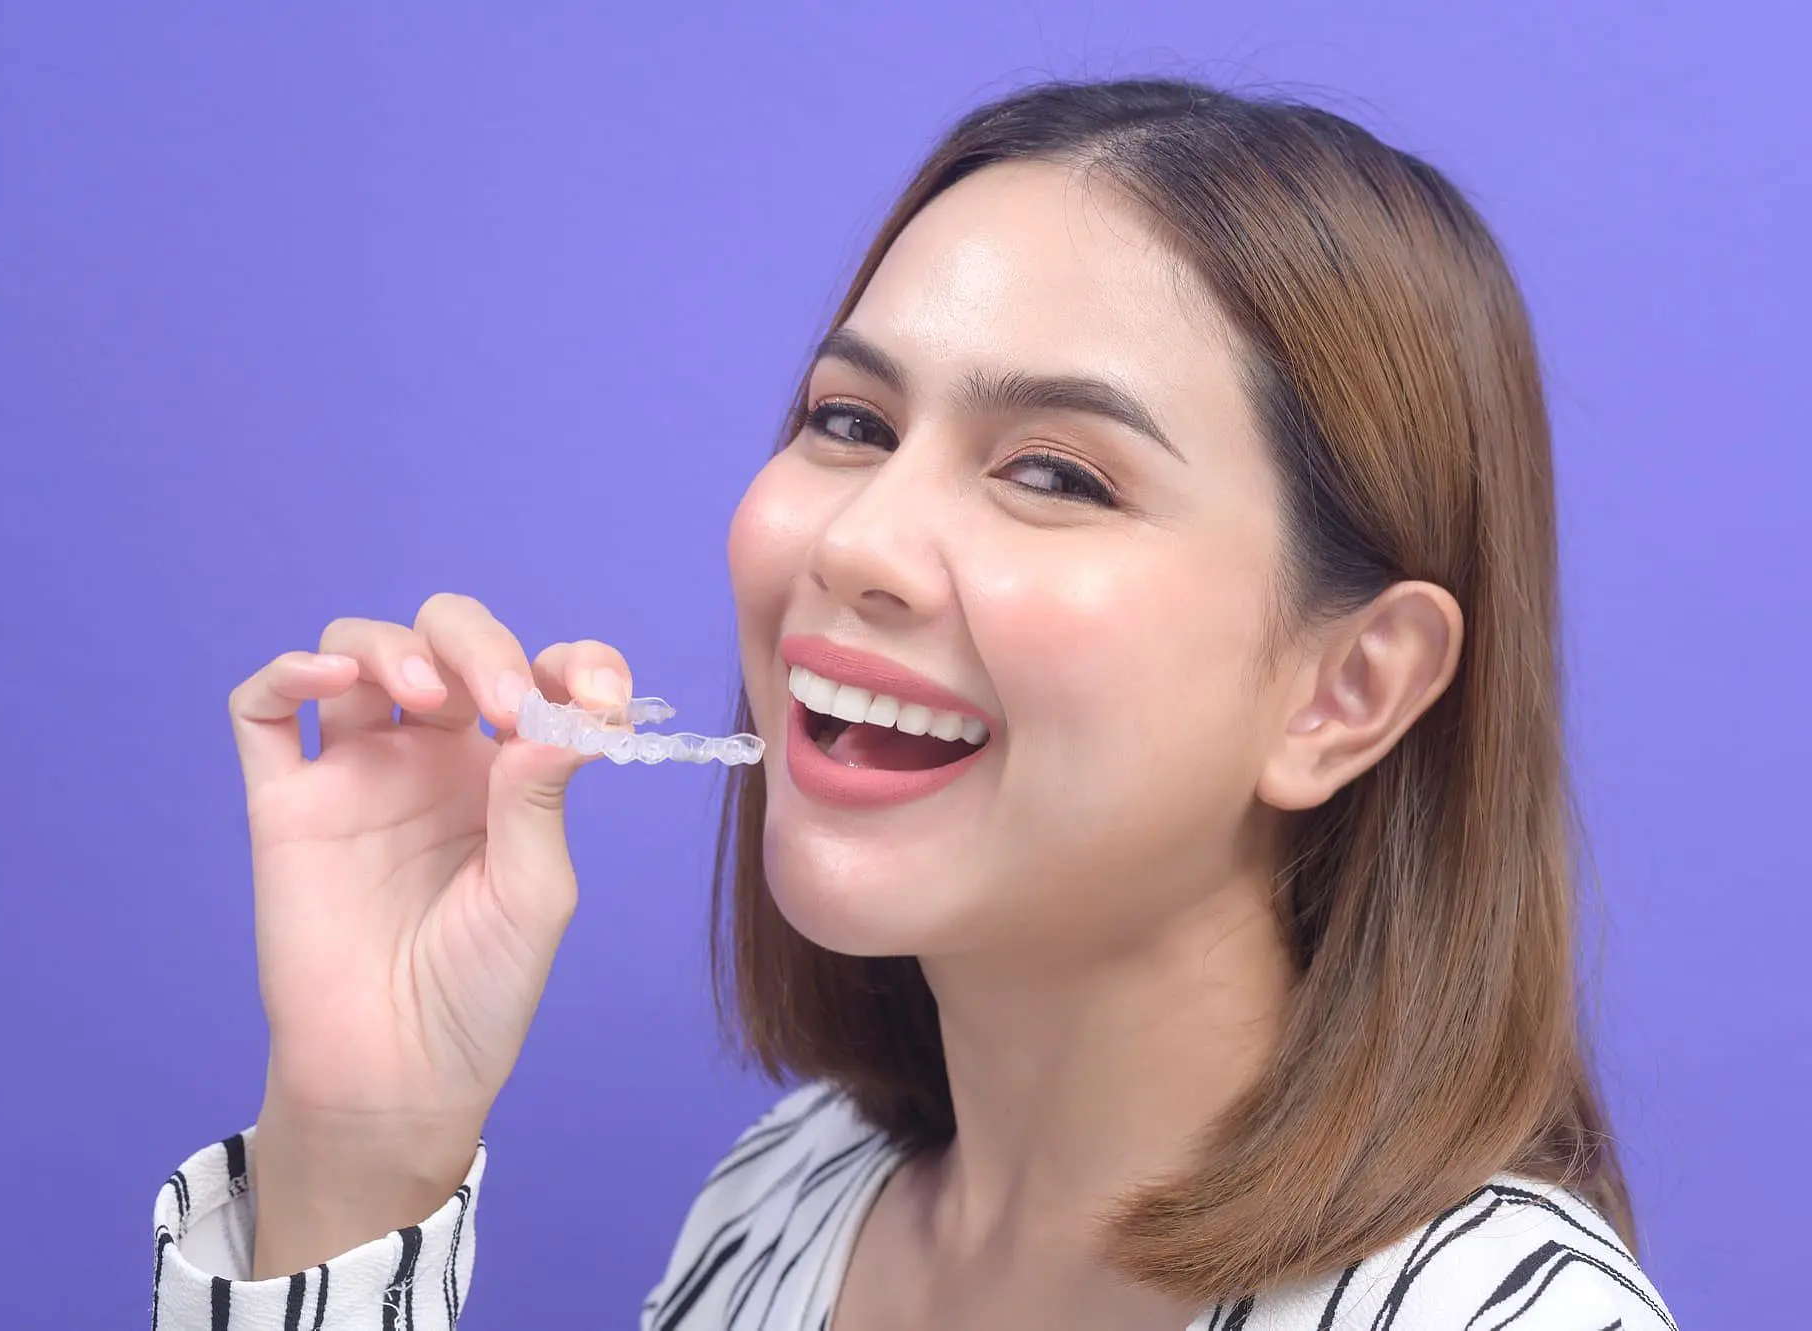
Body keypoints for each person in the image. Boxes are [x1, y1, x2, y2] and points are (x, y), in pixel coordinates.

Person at [148, 79, 1680, 1329]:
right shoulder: (793, 1199)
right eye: (848, 421)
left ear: (1346, 690)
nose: (860, 537)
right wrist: (357, 1150)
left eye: (1055, 473)